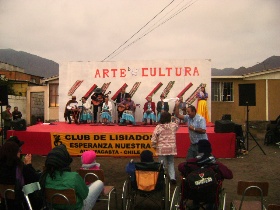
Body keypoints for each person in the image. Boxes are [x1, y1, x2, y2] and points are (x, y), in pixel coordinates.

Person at [39, 144, 104, 210]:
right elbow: (85, 195)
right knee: (99, 182)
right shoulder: (74, 177)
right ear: (65, 160)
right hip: (79, 208)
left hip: (55, 208)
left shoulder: (44, 177)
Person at [178, 140, 233, 210]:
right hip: (210, 193)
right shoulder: (216, 165)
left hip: (192, 192)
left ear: (198, 150)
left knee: (195, 183)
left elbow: (180, 167)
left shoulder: (190, 164)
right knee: (211, 187)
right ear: (210, 150)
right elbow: (229, 175)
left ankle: (196, 204)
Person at [0, 137, 42, 209]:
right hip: (22, 204)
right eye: (19, 151)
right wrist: (29, 166)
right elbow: (36, 183)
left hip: (5, 204)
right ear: (15, 153)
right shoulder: (22, 169)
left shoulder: (2, 167)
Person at [151, 112, 179, 184]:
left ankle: (163, 177)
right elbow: (178, 122)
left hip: (161, 148)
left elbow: (154, 138)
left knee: (162, 164)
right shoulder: (173, 126)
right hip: (171, 148)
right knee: (171, 163)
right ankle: (172, 178)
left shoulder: (158, 127)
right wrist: (173, 118)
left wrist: (154, 146)